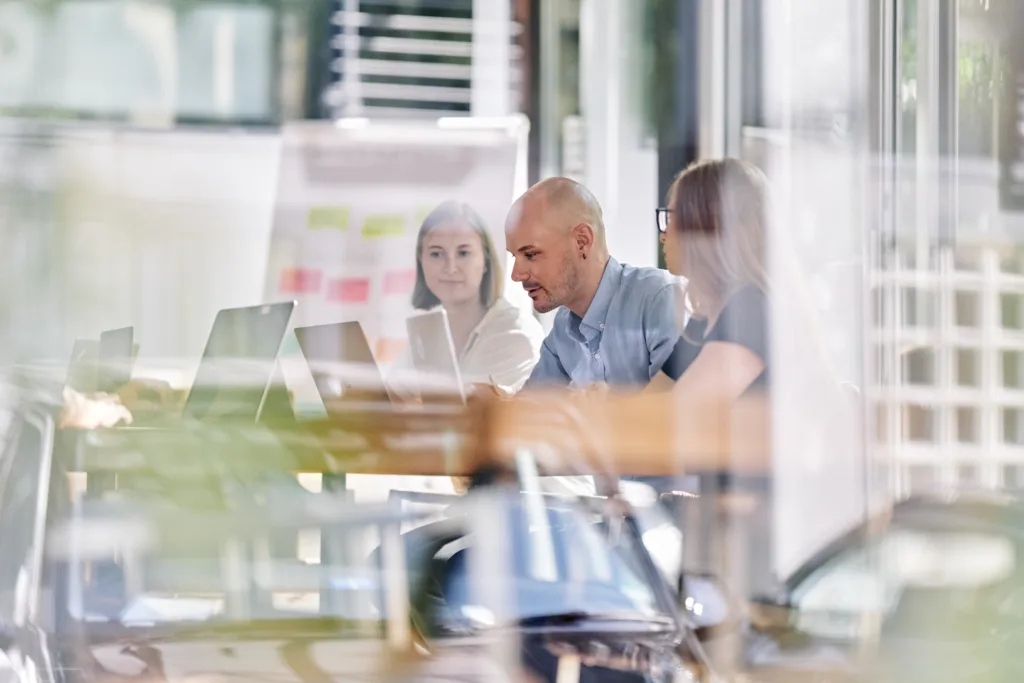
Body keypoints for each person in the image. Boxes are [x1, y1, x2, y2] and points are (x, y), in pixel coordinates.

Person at [504, 177, 682, 390]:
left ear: (582, 241)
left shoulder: (660, 300)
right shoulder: (563, 328)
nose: (516, 275)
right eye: (515, 257)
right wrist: (496, 402)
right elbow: (530, 410)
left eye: (531, 254)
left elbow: (680, 413)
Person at [391, 200, 544, 397]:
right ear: (421, 262)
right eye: (436, 254)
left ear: (486, 261)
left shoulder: (517, 336)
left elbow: (488, 418)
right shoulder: (426, 332)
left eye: (463, 253)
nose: (450, 267)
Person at [650, 158, 771, 398]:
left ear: (703, 225)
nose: (663, 235)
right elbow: (653, 401)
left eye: (672, 219)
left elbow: (677, 417)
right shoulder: (703, 318)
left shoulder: (750, 310)